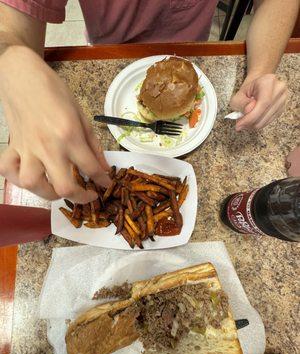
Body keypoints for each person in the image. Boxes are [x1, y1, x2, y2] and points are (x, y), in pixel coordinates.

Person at [0, 0, 298, 204]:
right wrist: (12, 59)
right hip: (106, 50)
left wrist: (260, 70)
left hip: (195, 51)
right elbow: (12, 20)